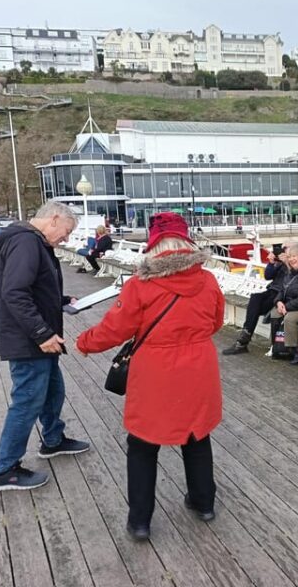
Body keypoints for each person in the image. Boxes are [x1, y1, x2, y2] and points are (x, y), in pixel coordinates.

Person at [76, 212, 225, 541]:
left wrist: (84, 342)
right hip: (199, 367)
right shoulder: (209, 281)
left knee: (143, 445)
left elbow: (115, 329)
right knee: (196, 436)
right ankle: (204, 503)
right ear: (187, 243)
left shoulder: (140, 285)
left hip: (155, 371)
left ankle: (140, 521)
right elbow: (216, 322)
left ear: (153, 245)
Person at [0, 201, 90, 492]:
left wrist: (60, 300)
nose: (66, 239)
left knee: (52, 391)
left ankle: (54, 440)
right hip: (30, 340)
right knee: (27, 401)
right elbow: (15, 293)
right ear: (54, 218)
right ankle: (5, 469)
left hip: (39, 338)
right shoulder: (26, 242)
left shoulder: (31, 242)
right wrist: (42, 333)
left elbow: (32, 289)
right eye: (67, 231)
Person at [221, 241, 297, 355]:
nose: (283, 251)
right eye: (282, 248)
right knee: (255, 297)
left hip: (284, 295)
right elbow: (267, 276)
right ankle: (242, 341)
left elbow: (294, 279)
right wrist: (271, 263)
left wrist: (287, 263)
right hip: (272, 291)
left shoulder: (296, 264)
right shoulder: (280, 262)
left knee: (254, 308)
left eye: (285, 248)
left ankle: (242, 342)